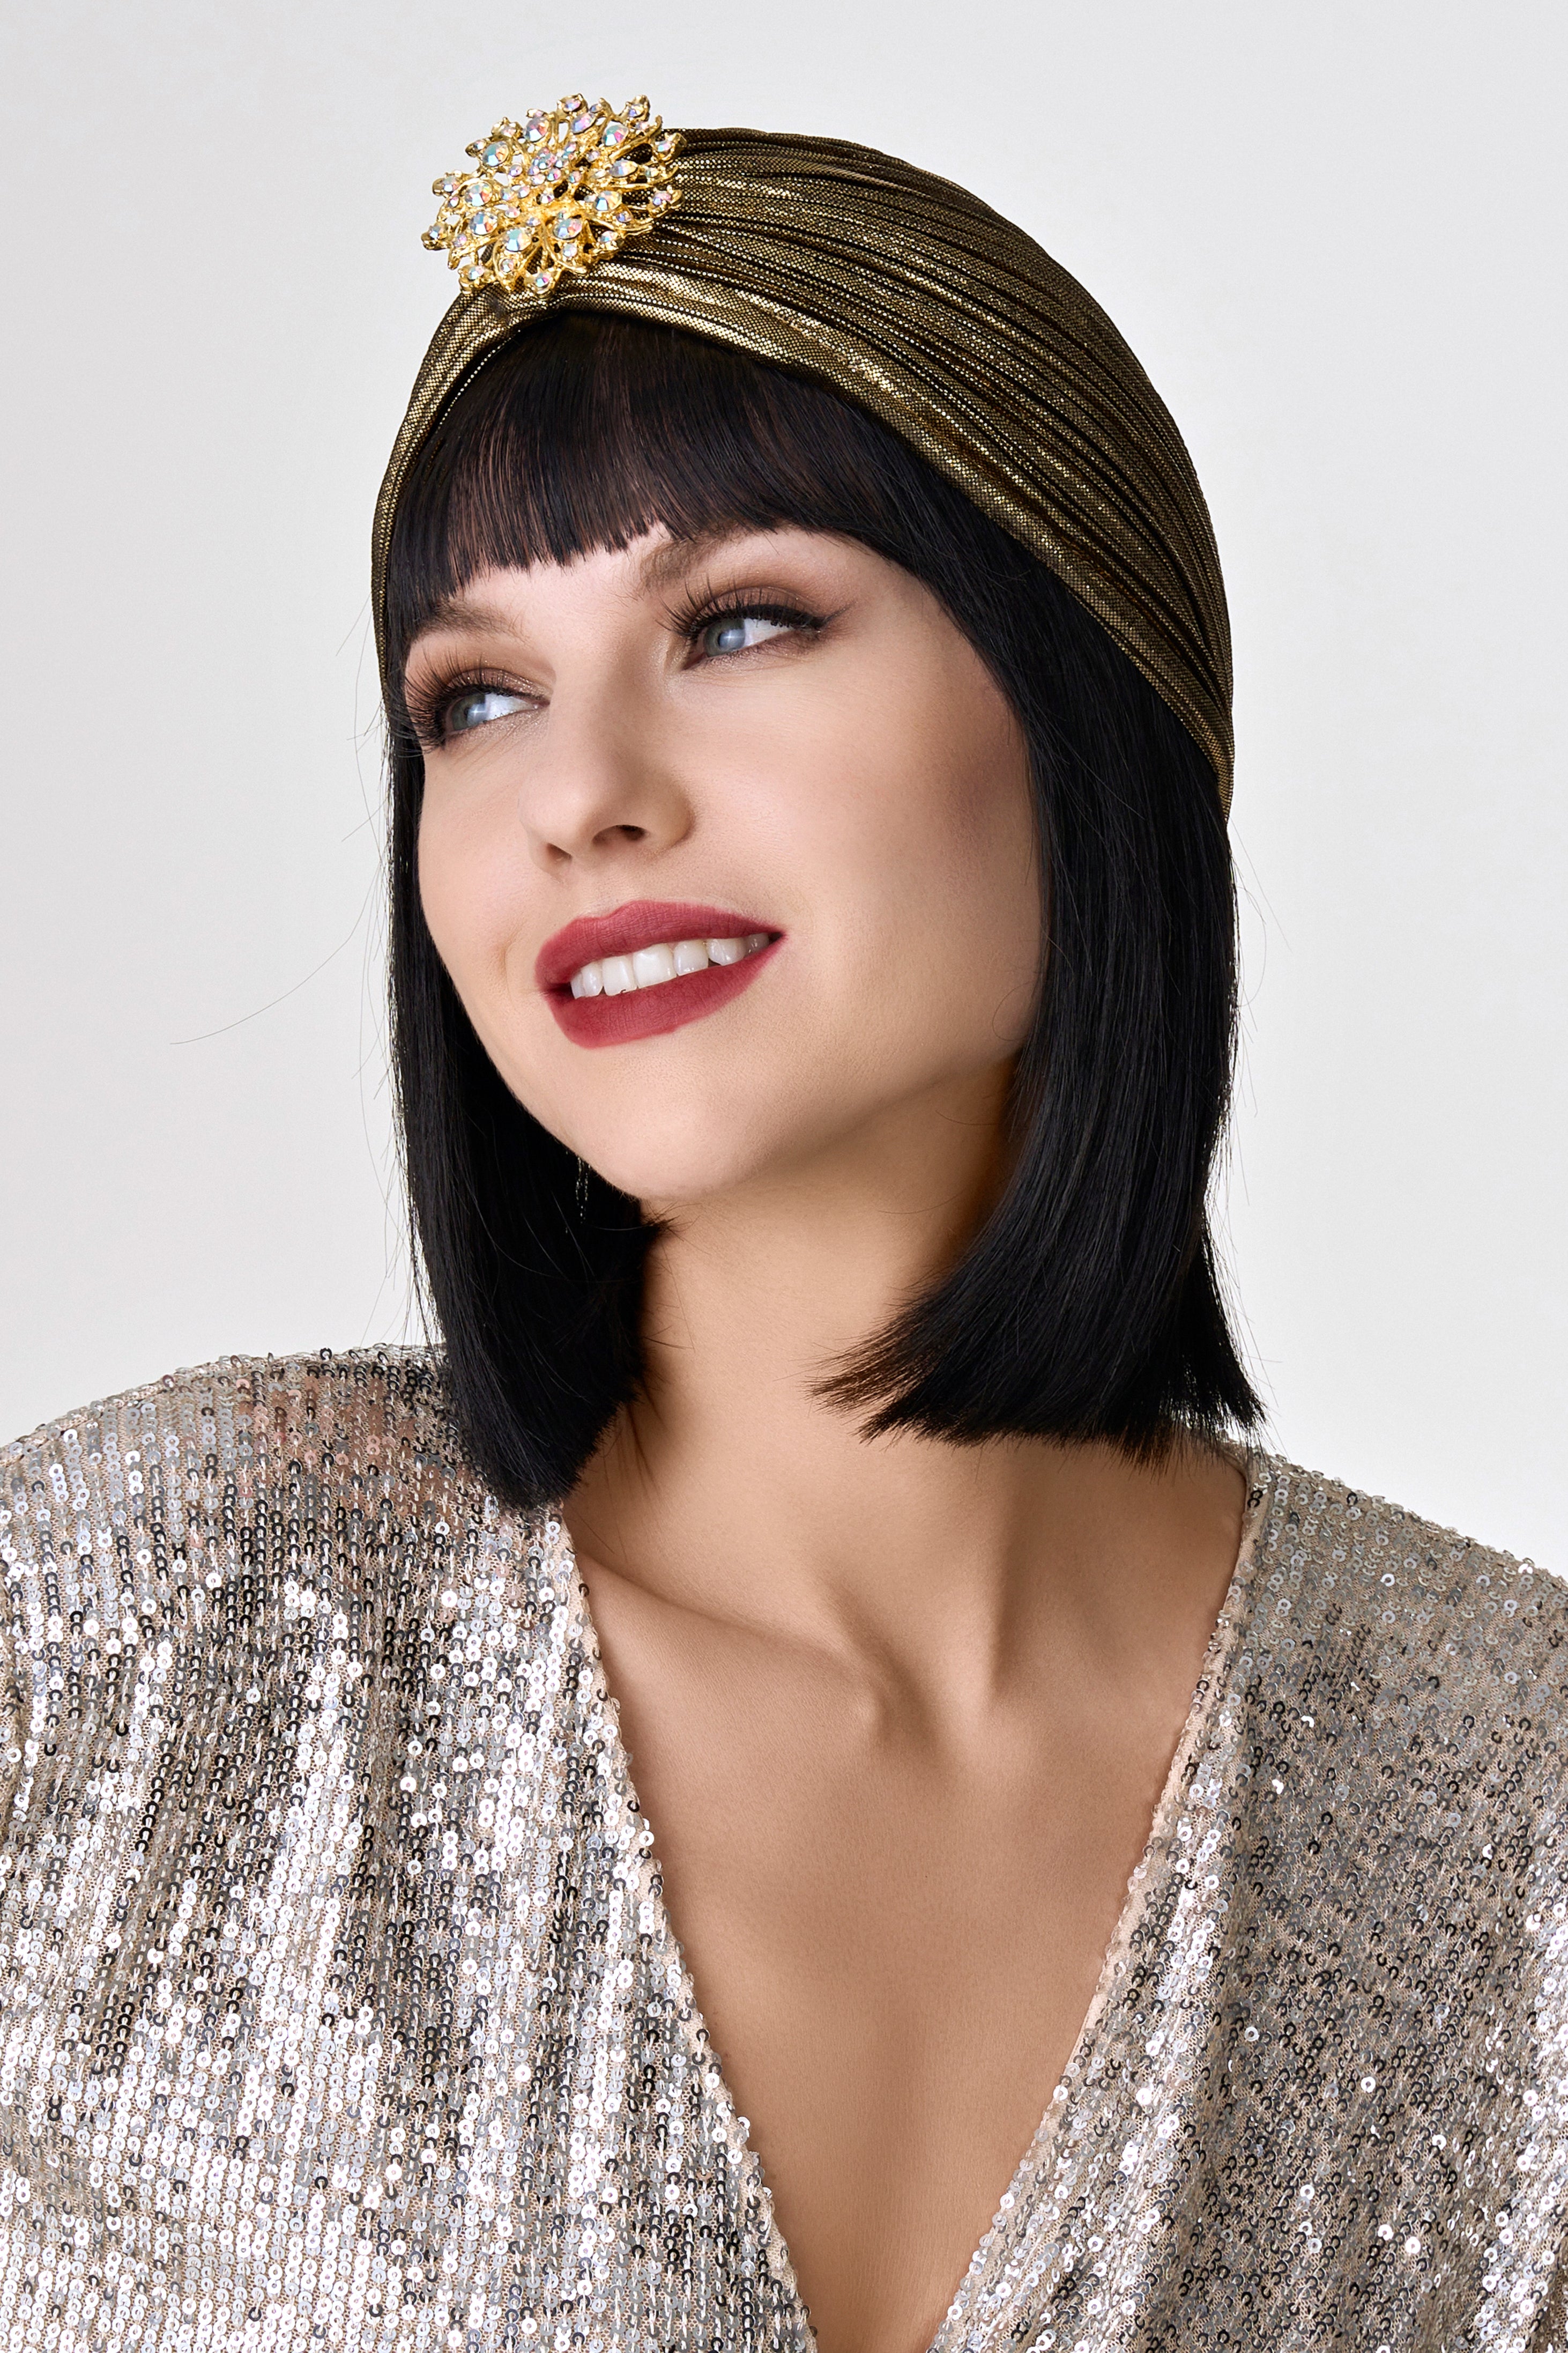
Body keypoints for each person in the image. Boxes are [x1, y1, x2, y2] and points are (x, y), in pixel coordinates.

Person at [1, 94, 1560, 2353]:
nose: (578, 794)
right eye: (476, 697)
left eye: (737, 623)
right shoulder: (125, 1634)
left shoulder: (1517, 1813)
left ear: (1086, 700)